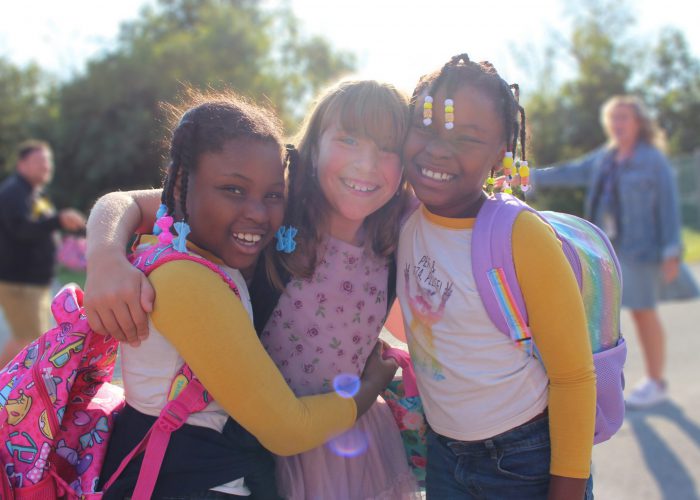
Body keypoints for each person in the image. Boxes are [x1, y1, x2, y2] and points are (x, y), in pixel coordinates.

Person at [86, 81, 417, 500]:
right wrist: (104, 257)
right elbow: (127, 203)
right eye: (348, 139)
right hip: (264, 437)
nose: (367, 164)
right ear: (312, 148)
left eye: (388, 148)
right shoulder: (275, 207)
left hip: (351, 442)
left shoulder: (398, 227)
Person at [398, 54, 595, 499]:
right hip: (446, 456)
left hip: (525, 460)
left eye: (467, 138)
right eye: (425, 127)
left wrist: (566, 489)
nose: (438, 150)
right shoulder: (405, 220)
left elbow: (573, 377)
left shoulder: (520, 235)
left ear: (501, 154)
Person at [529, 95, 691, 409]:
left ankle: (656, 381)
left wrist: (672, 250)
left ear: (638, 123)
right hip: (607, 250)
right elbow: (570, 172)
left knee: (644, 314)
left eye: (624, 118)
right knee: (601, 314)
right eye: (613, 119)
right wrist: (532, 176)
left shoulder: (652, 160)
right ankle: (606, 378)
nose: (617, 125)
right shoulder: (606, 158)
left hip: (641, 249)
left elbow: (669, 205)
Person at [0, 140, 86, 367]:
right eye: (40, 161)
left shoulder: (35, 193)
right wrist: (57, 220)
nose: (46, 167)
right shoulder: (13, 192)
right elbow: (21, 229)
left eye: (48, 161)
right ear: (22, 164)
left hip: (34, 282)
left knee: (31, 340)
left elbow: (40, 228)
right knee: (29, 341)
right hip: (18, 281)